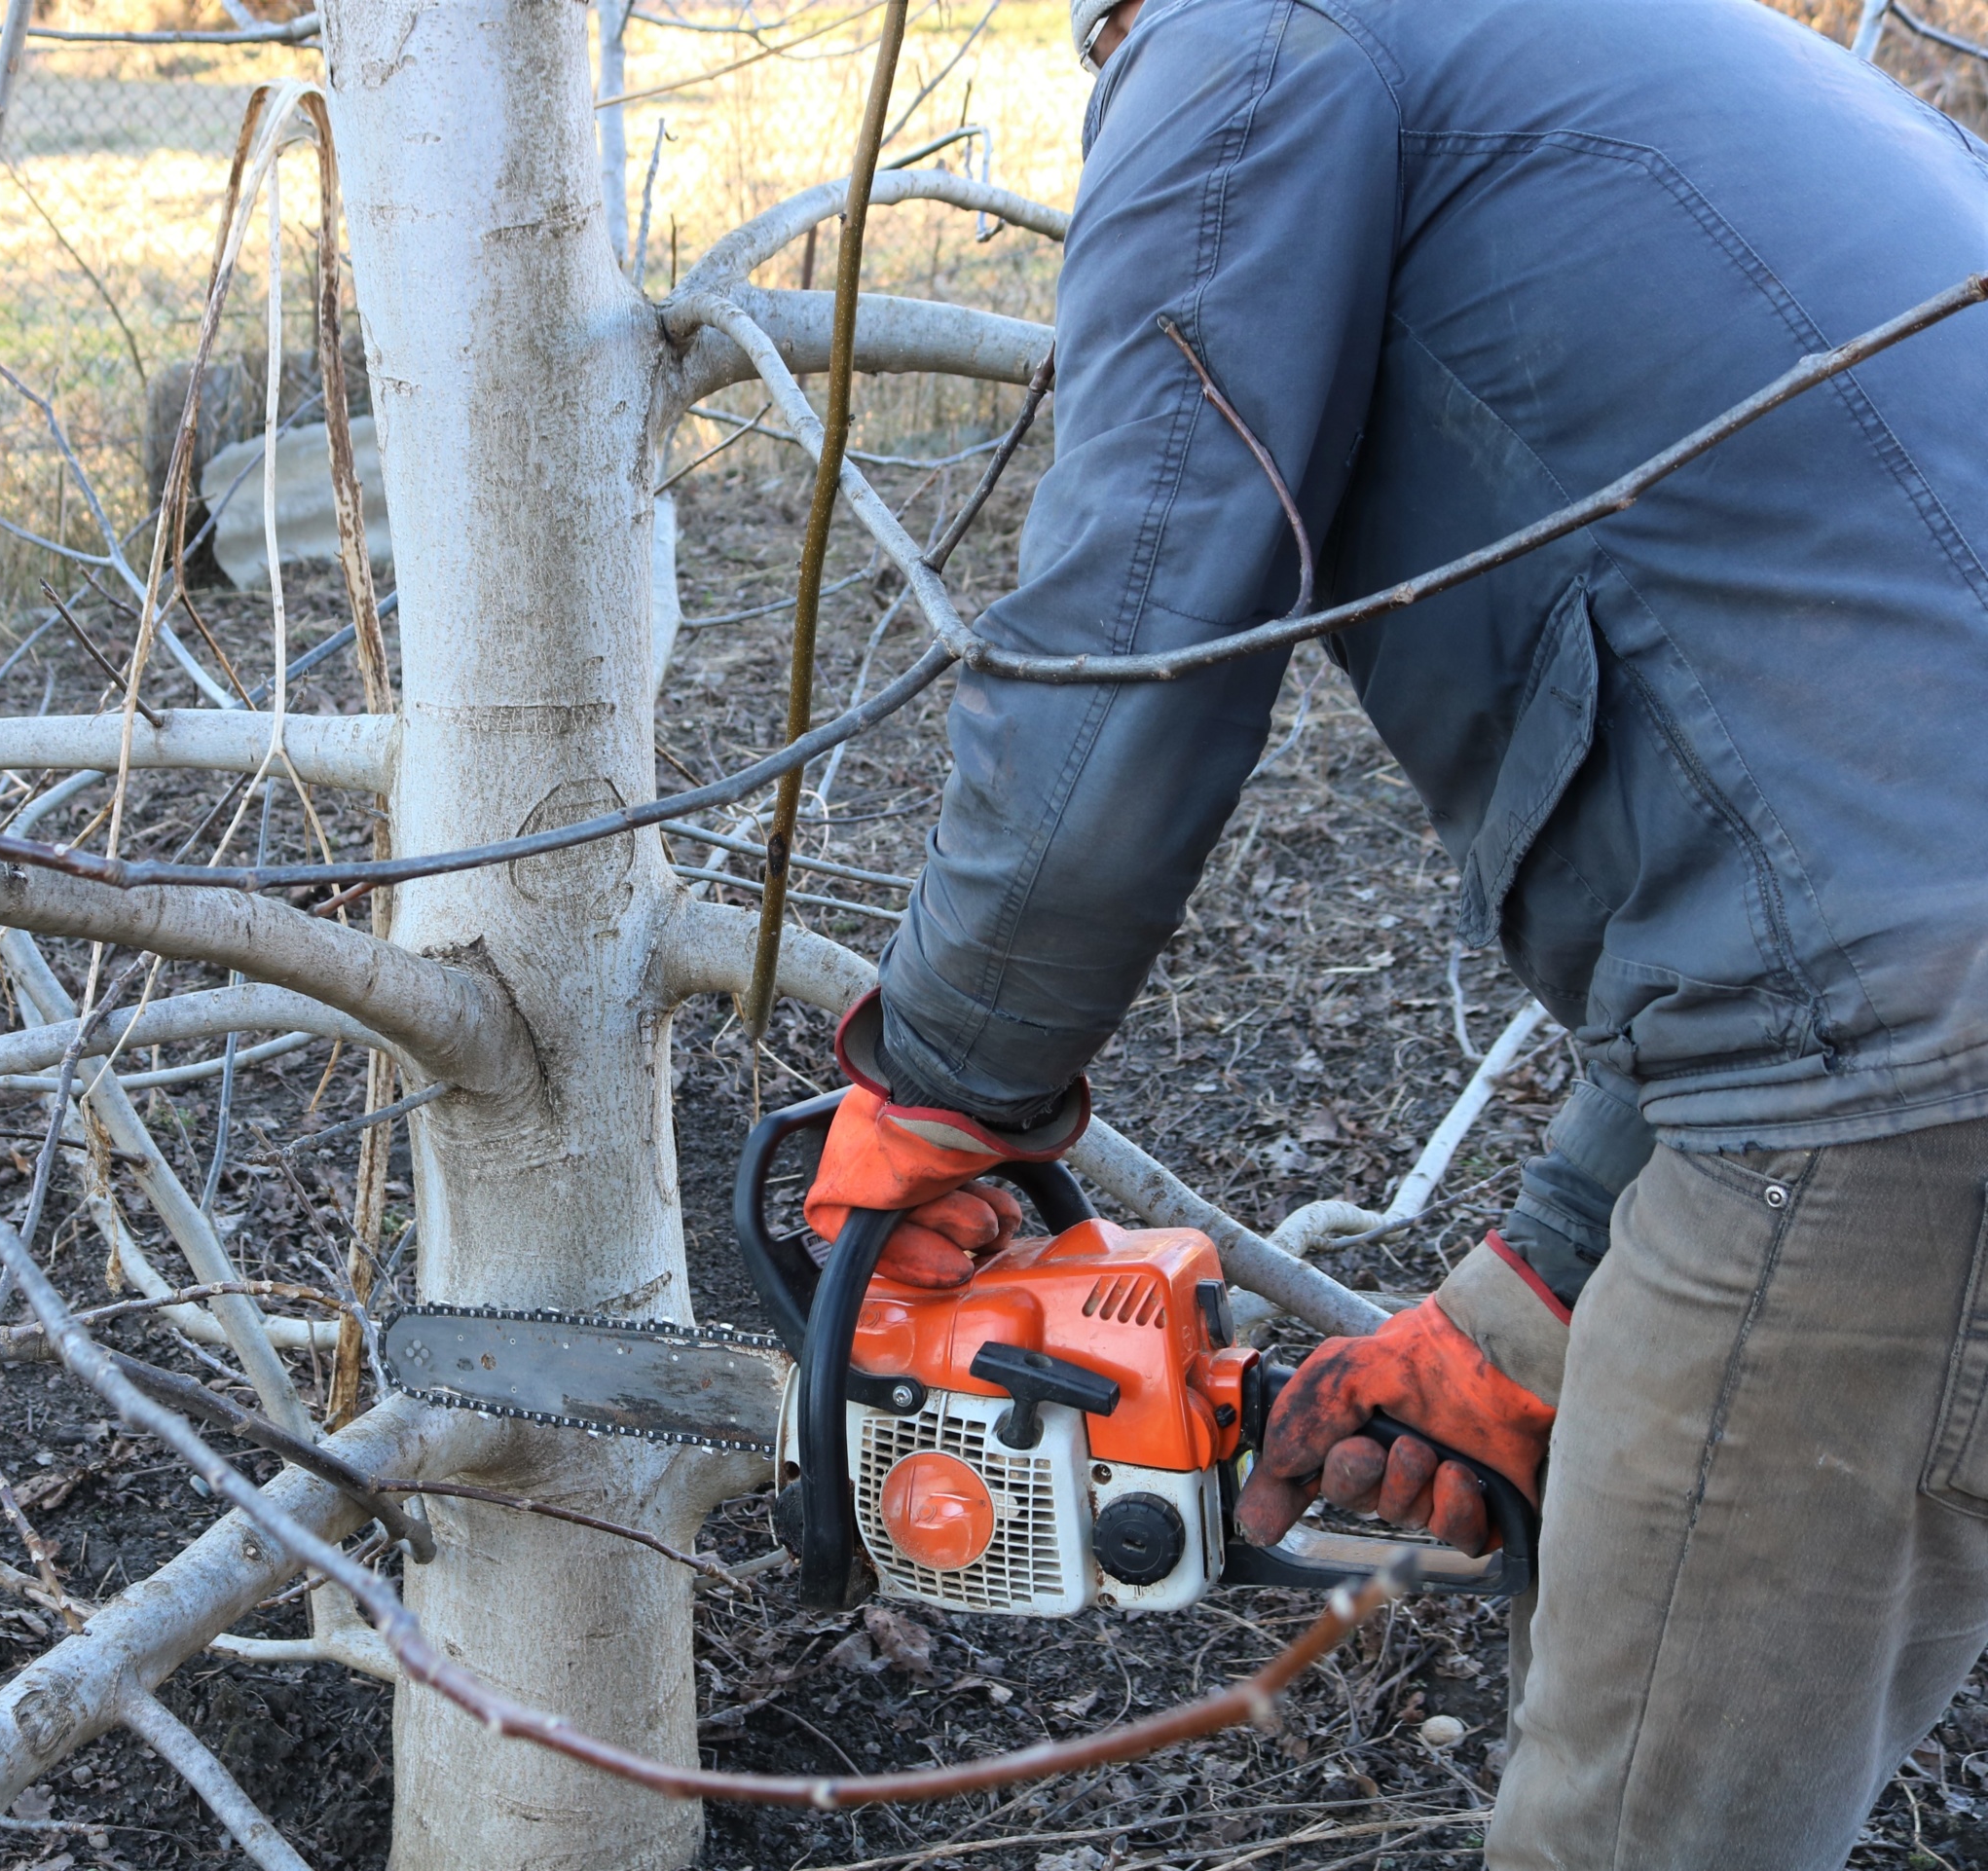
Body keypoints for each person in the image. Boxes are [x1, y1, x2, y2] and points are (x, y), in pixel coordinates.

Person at [798, 1, 1988, 1863]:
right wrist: (1543, 1285)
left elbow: (1142, 621)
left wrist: (942, 1085)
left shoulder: (1262, 38)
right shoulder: (1657, 46)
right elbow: (1829, 813)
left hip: (1900, 1101)